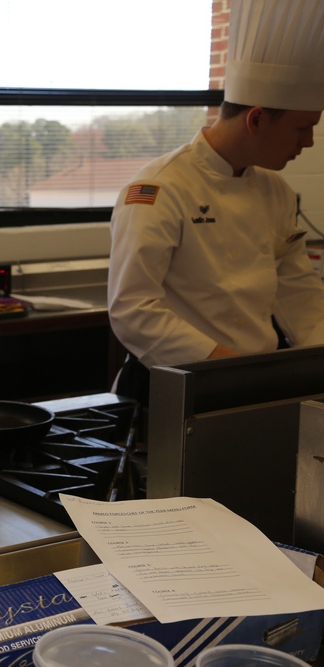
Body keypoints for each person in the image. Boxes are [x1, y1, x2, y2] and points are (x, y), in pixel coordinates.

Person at [108, 0, 324, 405]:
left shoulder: (275, 191)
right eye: (303, 128)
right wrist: (222, 367)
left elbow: (299, 290)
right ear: (256, 119)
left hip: (250, 380)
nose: (308, 142)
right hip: (175, 382)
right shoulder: (160, 189)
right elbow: (133, 309)